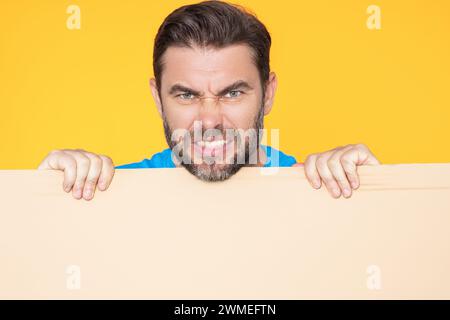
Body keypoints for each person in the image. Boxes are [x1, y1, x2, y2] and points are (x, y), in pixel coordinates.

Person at [38, 1, 380, 201]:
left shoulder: (318, 190)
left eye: (232, 93)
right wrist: (43, 196)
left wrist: (375, 194)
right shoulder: (108, 193)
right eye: (187, 95)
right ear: (158, 98)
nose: (210, 119)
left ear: (268, 93)